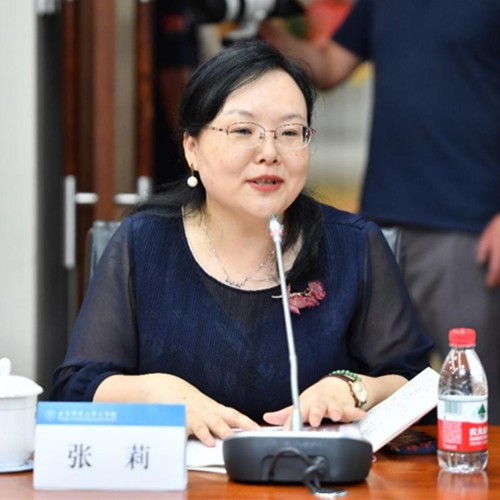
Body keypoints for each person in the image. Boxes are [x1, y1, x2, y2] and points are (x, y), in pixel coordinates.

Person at [51, 39, 432, 446]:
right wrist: (156, 392)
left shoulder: (354, 246)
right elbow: (77, 388)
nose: (269, 152)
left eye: (290, 132)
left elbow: (418, 388)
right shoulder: (143, 244)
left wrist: (353, 388)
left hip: (313, 476)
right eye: (243, 130)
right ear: (192, 148)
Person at [260, 0, 500, 424]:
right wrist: (261, 19)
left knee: (478, 397)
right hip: (381, 226)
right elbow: (328, 67)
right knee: (387, 392)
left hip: (468, 228)